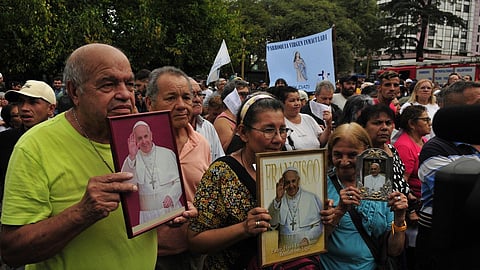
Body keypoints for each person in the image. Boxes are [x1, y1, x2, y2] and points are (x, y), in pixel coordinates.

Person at [0, 43, 195, 269]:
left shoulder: (145, 132)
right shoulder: (34, 146)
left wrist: (169, 207)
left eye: (129, 84)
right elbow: (12, 250)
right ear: (74, 92)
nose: (124, 94)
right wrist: (83, 212)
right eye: (108, 84)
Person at [188, 93, 286, 269]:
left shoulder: (289, 169)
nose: (278, 139)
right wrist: (244, 229)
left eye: (283, 130)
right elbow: (196, 240)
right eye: (269, 130)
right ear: (242, 132)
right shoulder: (221, 174)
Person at [145, 66, 211, 270]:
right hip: (151, 255)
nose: (181, 105)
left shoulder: (201, 143)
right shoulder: (136, 146)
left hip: (194, 252)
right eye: (171, 98)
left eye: (186, 97)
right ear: (149, 103)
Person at [319, 122, 407, 269]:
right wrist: (339, 212)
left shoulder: (380, 186)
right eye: (338, 154)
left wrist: (400, 218)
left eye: (352, 155)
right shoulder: (321, 187)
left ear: (366, 152)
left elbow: (394, 250)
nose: (344, 162)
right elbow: (310, 244)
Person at [415, 81, 480, 270]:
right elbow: (465, 197)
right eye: (477, 105)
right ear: (453, 113)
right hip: (449, 248)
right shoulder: (435, 150)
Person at [121, 121, 182, 223]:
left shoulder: (167, 153)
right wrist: (132, 156)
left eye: (146, 136)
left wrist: (172, 196)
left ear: (151, 136)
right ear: (135, 140)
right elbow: (126, 186)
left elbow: (179, 180)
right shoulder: (132, 159)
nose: (144, 141)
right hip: (148, 216)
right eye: (140, 138)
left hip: (171, 209)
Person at [393, 105, 431, 269]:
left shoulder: (423, 141)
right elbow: (401, 182)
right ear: (412, 124)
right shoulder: (405, 146)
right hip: (414, 210)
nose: (429, 123)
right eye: (425, 119)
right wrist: (411, 211)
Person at [356, 104, 410, 196]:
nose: (384, 127)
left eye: (388, 123)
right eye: (377, 123)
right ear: (363, 127)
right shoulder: (359, 154)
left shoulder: (392, 149)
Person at [268, 167, 322, 249]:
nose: (291, 185)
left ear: (298, 180)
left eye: (293, 181)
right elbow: (272, 224)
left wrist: (308, 238)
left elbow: (319, 226)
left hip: (306, 247)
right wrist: (278, 199)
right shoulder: (279, 200)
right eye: (287, 182)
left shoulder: (311, 197)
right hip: (284, 249)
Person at [188, 77, 225, 161]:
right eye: (192, 95)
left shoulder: (208, 127)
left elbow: (219, 159)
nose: (197, 99)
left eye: (199, 94)